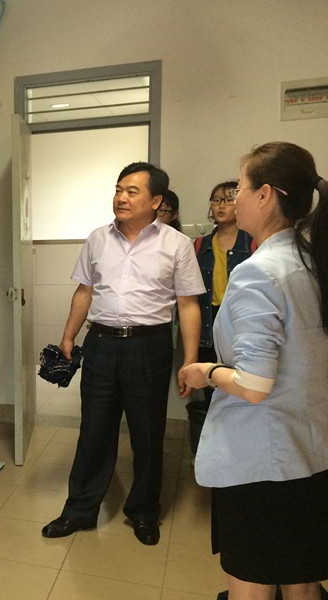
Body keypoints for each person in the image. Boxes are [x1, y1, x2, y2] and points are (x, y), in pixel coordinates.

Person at [180, 142, 328, 600]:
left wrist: (208, 371)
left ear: (265, 195)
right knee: (302, 583)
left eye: (240, 188)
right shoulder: (312, 259)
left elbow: (254, 384)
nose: (234, 198)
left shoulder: (258, 272)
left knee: (252, 585)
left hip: (263, 463)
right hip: (312, 451)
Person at [41, 162, 204, 545]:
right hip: (100, 344)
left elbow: (188, 305)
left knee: (147, 433)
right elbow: (84, 291)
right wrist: (68, 336)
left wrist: (190, 360)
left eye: (132, 191)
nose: (121, 197)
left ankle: (144, 512)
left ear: (156, 200)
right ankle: (79, 510)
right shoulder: (98, 238)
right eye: (118, 189)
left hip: (149, 346)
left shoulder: (176, 244)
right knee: (94, 431)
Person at [194, 181, 254, 403]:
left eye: (228, 200)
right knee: (211, 387)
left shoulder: (252, 242)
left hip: (240, 322)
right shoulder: (200, 245)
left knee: (242, 387)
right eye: (216, 200)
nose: (221, 205)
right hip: (208, 322)